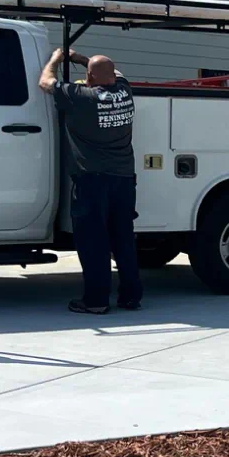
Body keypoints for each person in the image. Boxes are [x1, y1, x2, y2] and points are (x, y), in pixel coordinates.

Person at [39, 46, 142, 314]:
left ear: (90, 78)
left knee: (94, 241)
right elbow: (115, 71)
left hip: (92, 179)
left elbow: (45, 82)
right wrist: (84, 60)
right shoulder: (125, 90)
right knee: (123, 239)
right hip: (123, 178)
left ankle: (96, 301)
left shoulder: (82, 96)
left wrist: (58, 58)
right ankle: (131, 297)